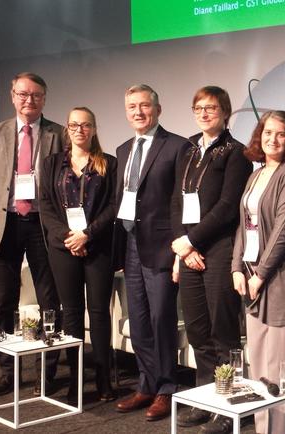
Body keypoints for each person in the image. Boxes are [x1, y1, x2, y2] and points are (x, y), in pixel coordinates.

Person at [170, 86, 252, 429]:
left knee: (223, 332)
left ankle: (229, 404)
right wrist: (182, 248)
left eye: (212, 108)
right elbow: (176, 201)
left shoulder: (236, 153)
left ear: (226, 112)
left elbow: (226, 209)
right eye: (199, 108)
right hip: (190, 253)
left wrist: (190, 241)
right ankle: (206, 398)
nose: (205, 113)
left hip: (218, 250)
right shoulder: (187, 149)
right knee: (198, 331)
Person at [0, 72, 62, 396]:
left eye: (37, 95)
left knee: (48, 300)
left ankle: (47, 371)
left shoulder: (58, 134)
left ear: (44, 98)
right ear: (13, 96)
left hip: (42, 225)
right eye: (23, 94)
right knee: (4, 302)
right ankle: (7, 371)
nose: (30, 100)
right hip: (6, 225)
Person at [113, 84, 191, 421]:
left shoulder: (177, 146)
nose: (138, 112)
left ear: (158, 110)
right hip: (130, 242)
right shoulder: (122, 149)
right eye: (132, 106)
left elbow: (183, 202)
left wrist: (179, 249)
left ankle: (166, 389)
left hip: (162, 245)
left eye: (145, 106)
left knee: (161, 319)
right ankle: (146, 383)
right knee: (140, 321)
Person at [231, 111, 285, 434]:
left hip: (280, 279)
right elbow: (243, 226)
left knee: (282, 366)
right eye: (267, 132)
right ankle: (265, 429)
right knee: (260, 363)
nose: (272, 139)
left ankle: (283, 430)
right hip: (251, 278)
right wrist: (236, 266)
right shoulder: (255, 174)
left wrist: (261, 272)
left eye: (280, 134)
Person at [39, 107, 118, 405]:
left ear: (94, 129)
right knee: (71, 313)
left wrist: (87, 234)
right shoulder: (51, 164)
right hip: (63, 248)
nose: (79, 130)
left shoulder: (108, 163)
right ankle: (76, 380)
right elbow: (45, 207)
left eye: (85, 125)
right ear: (67, 130)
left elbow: (113, 205)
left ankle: (103, 379)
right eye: (74, 125)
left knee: (98, 313)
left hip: (97, 246)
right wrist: (68, 237)